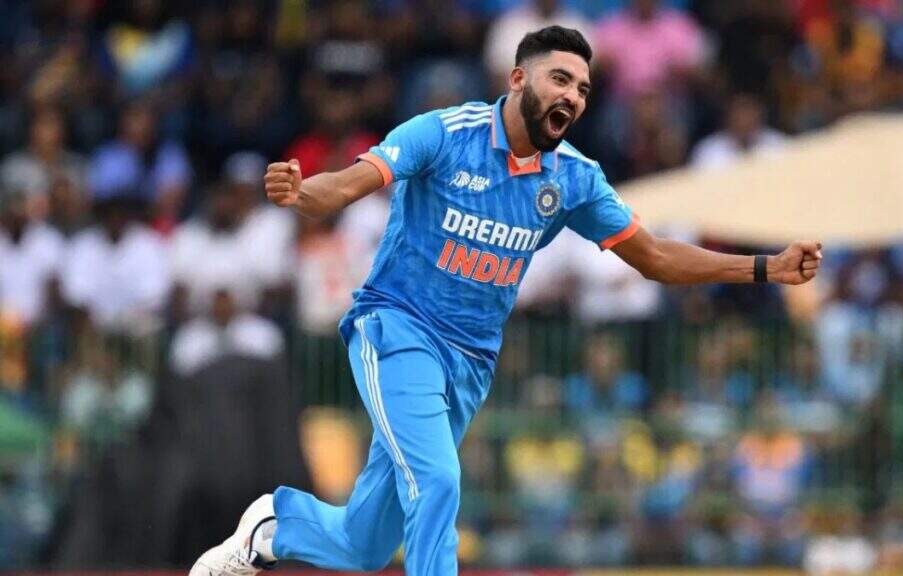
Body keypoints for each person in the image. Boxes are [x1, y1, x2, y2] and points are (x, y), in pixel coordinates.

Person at [190, 25, 824, 576]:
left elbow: (655, 257)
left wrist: (766, 267)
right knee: (438, 482)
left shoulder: (573, 178)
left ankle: (274, 527)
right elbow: (350, 184)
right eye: (560, 79)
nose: (573, 97)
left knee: (366, 545)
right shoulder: (445, 133)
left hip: (470, 362)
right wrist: (303, 192)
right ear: (519, 79)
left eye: (583, 89)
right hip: (396, 329)